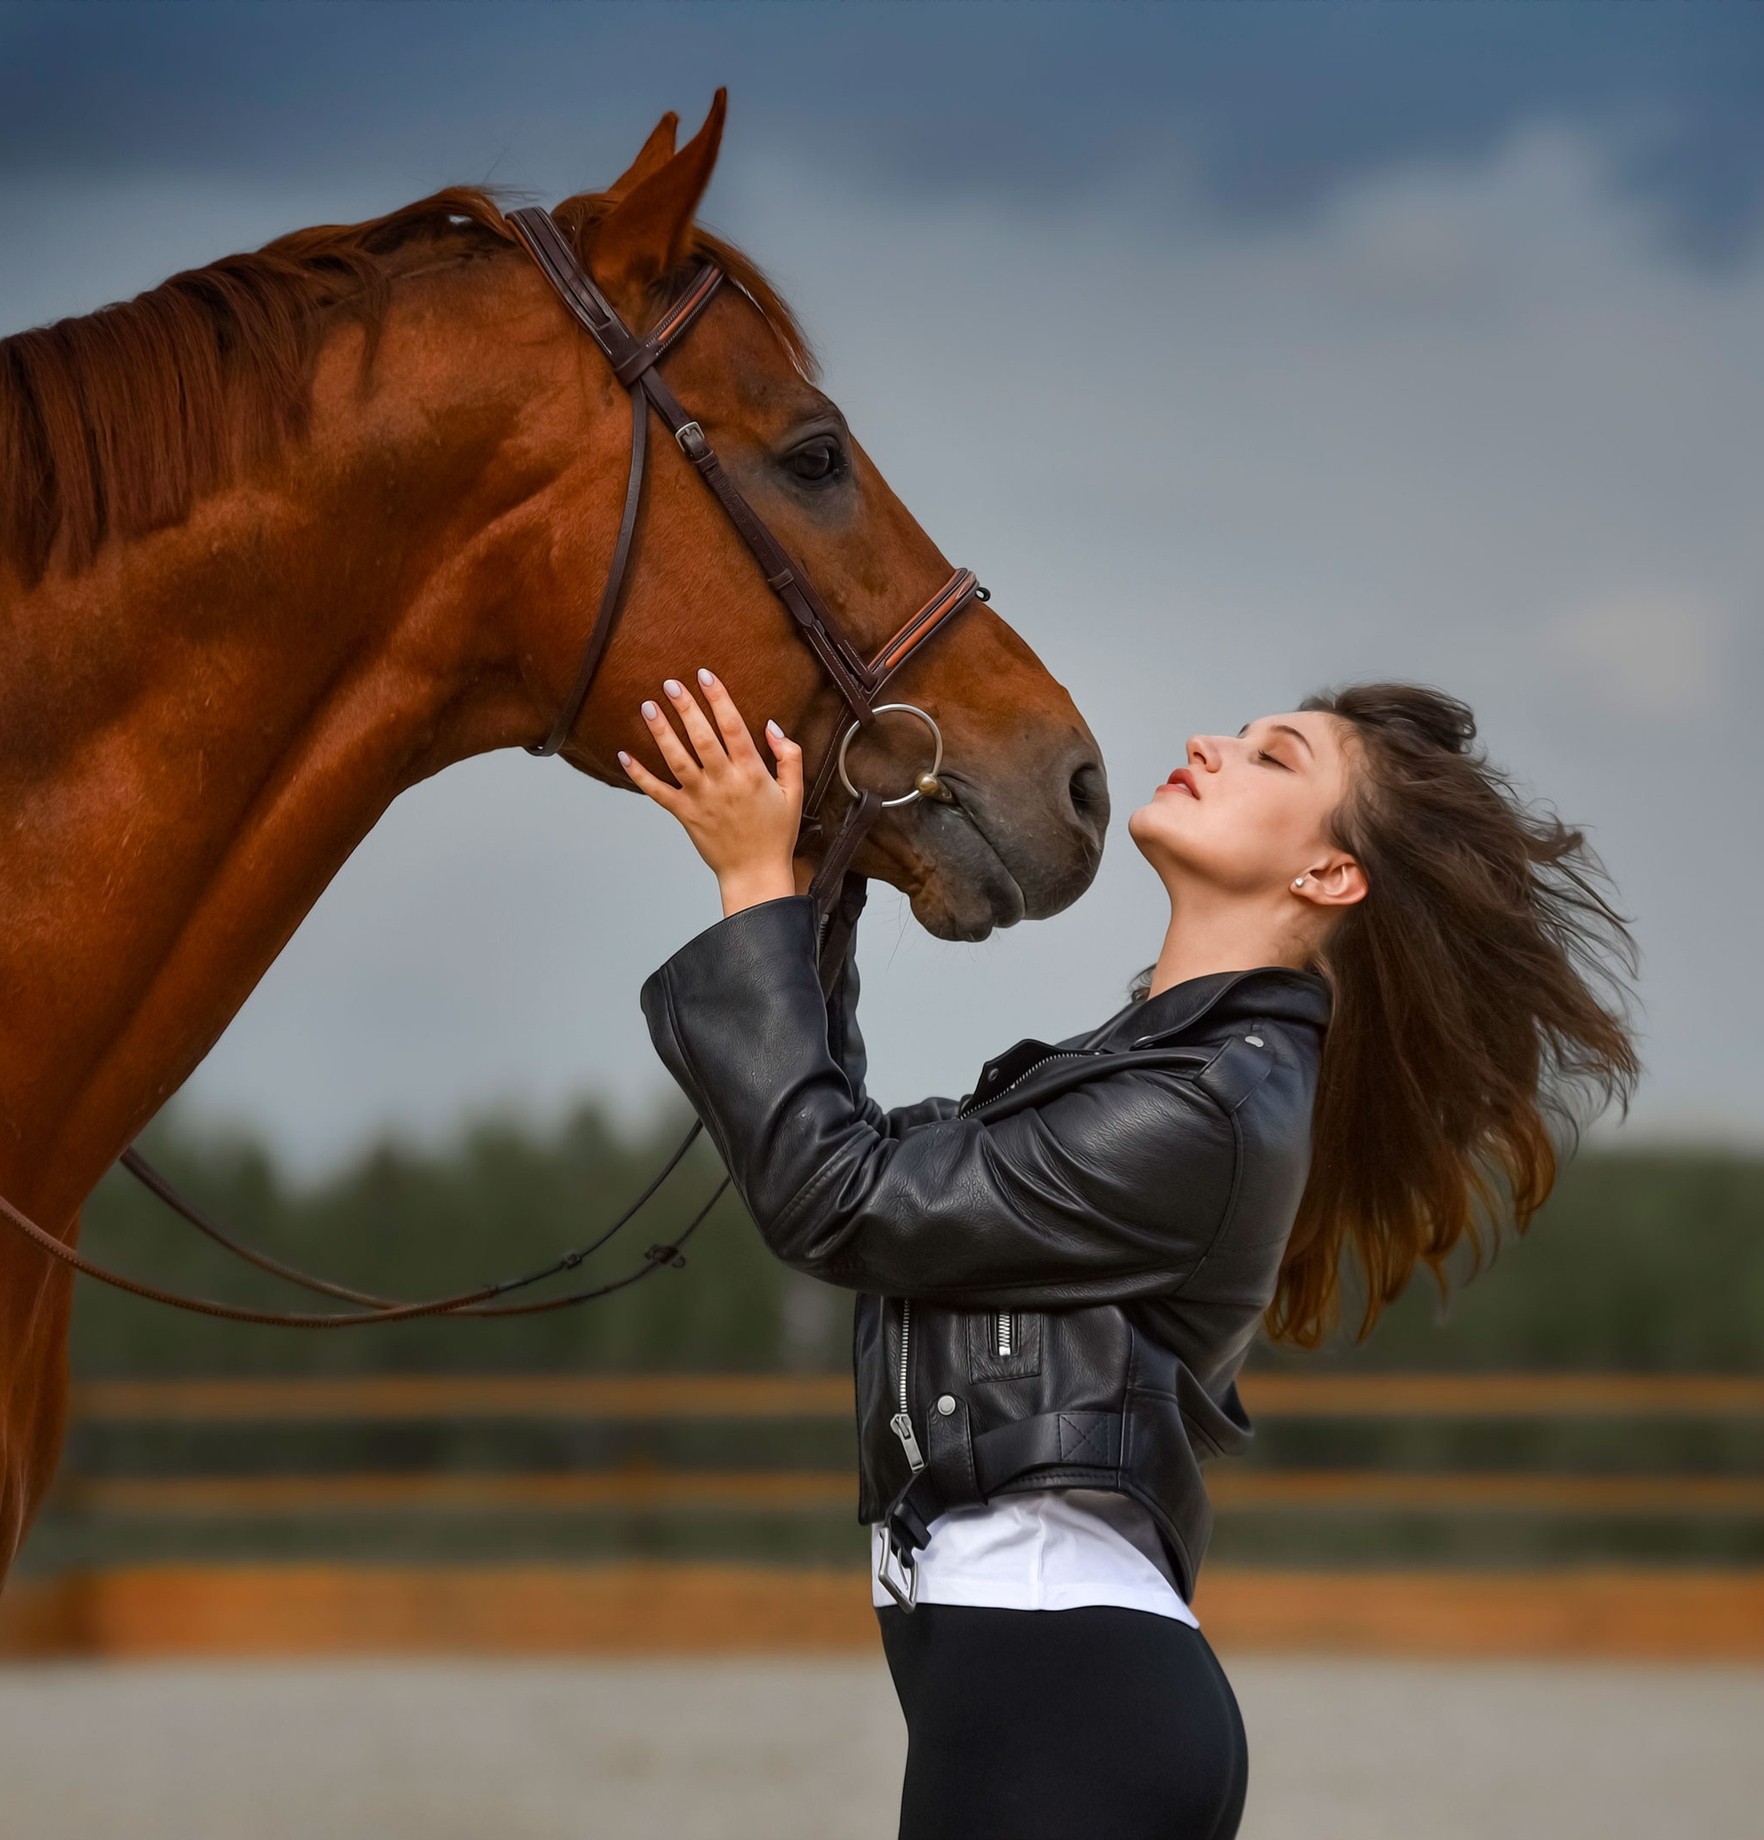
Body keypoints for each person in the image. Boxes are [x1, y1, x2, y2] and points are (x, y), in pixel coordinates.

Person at [622, 669, 1639, 1840]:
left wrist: (752, 886)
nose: (1212, 742)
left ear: (1326, 873)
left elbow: (840, 1202)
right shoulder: (1159, 1071)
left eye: (1273, 757)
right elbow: (869, 1165)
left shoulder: (1206, 1105)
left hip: (1060, 1694)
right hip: (1040, 1691)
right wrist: (815, 897)